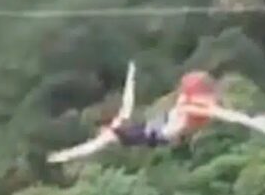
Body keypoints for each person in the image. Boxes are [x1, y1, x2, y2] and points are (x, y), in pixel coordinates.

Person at [47, 62, 218, 163]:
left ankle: (201, 104)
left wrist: (131, 76)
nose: (101, 133)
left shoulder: (116, 126)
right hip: (157, 134)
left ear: (103, 126)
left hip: (156, 127)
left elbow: (128, 100)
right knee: (178, 119)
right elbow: (86, 149)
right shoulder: (112, 134)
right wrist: (63, 156)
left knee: (179, 109)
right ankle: (202, 110)